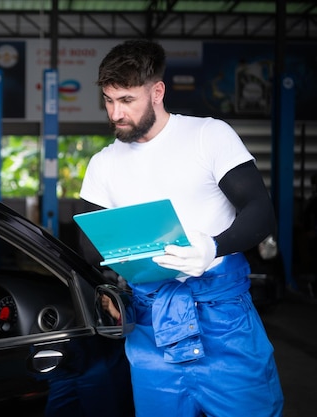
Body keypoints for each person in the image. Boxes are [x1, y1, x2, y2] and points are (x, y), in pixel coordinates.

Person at [78, 39, 283, 416]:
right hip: (151, 323)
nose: (115, 113)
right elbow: (89, 245)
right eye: (109, 100)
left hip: (224, 317)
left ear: (157, 92)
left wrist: (213, 247)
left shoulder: (209, 135)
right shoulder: (103, 164)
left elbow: (261, 212)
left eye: (126, 100)